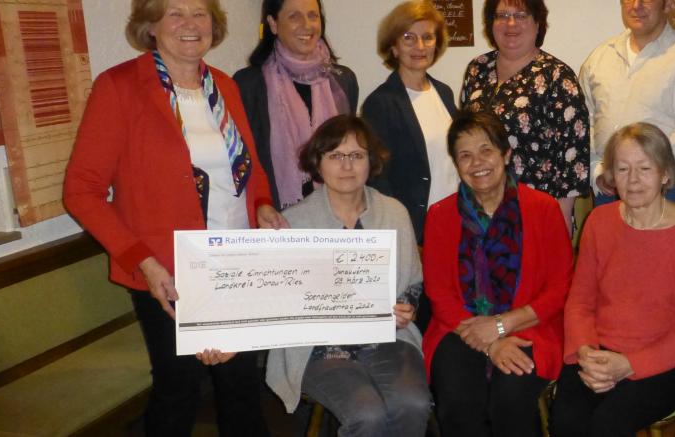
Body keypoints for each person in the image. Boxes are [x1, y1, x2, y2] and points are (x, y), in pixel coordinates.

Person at [63, 0, 285, 435]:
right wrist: (143, 261)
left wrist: (261, 203)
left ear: (214, 25)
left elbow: (250, 167)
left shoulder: (224, 85)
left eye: (200, 13)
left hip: (237, 262)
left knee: (242, 387)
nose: (190, 24)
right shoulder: (120, 87)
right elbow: (81, 191)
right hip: (167, 270)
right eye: (175, 13)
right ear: (151, 26)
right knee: (178, 388)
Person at [265, 115, 431, 437]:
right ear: (317, 161)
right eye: (335, 156)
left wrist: (404, 306)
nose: (347, 166)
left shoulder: (394, 212)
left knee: (413, 404)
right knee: (367, 415)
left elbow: (413, 280)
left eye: (357, 155)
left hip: (389, 338)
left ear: (371, 161)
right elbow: (278, 300)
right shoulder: (292, 222)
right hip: (319, 347)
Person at [550, 123, 675, 436]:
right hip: (597, 350)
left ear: (666, 173)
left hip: (665, 363)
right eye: (623, 169)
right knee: (566, 421)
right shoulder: (599, 221)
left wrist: (630, 364)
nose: (633, 180)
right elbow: (581, 301)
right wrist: (585, 351)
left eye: (644, 168)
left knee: (608, 424)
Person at [422, 110, 573, 437]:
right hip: (459, 328)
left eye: (486, 150)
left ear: (506, 154)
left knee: (510, 400)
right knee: (457, 402)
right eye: (465, 155)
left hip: (531, 327)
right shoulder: (440, 215)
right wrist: (490, 342)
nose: (477, 162)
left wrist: (502, 326)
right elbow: (439, 294)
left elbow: (559, 289)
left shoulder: (543, 208)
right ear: (456, 163)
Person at [460, 0, 589, 230]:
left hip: (536, 216)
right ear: (491, 23)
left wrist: (559, 225)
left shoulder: (557, 77)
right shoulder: (477, 69)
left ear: (538, 23)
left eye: (521, 15)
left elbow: (572, 160)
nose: (511, 23)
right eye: (502, 15)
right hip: (479, 212)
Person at [581, 0, 675, 206]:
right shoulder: (600, 57)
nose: (636, 5)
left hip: (664, 188)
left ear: (668, 4)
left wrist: (638, 172)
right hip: (607, 188)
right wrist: (598, 170)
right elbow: (583, 125)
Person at [234, 0, 359, 209]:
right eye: (294, 16)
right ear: (273, 24)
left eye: (313, 15)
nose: (307, 25)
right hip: (276, 214)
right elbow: (246, 159)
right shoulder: (248, 84)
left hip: (335, 212)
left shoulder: (343, 80)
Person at [363, 0, 457, 245]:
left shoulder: (444, 93)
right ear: (393, 47)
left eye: (427, 37)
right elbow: (376, 176)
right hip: (414, 229)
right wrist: (399, 229)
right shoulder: (380, 103)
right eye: (408, 37)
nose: (420, 46)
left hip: (455, 221)